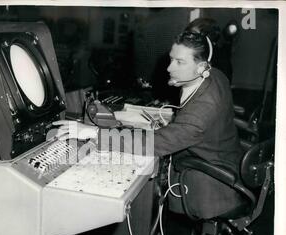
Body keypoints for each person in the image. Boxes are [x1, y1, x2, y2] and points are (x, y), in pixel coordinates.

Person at [54, 30, 243, 220]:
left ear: (202, 67)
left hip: (212, 186)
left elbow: (155, 144)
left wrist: (95, 133)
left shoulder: (203, 110)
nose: (169, 68)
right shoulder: (215, 75)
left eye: (180, 62)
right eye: (171, 59)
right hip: (225, 158)